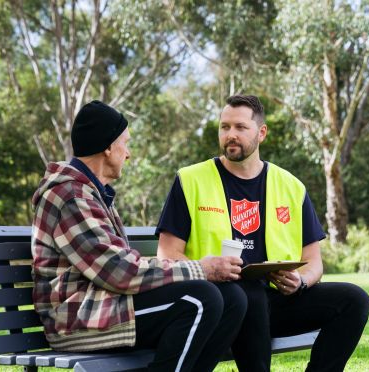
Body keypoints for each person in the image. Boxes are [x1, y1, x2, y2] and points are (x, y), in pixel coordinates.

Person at [157, 95, 369, 372]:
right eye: (224, 127)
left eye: (240, 127)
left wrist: (301, 282)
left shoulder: (291, 186)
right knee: (249, 293)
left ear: (261, 132)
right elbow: (167, 253)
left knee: (355, 300)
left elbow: (314, 261)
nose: (230, 135)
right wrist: (208, 269)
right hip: (222, 303)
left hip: (278, 301)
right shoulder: (191, 179)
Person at [31, 100, 247, 372]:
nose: (128, 153)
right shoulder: (71, 196)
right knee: (201, 298)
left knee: (232, 299)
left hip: (104, 304)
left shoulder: (91, 193)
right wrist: (199, 268)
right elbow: (121, 272)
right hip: (77, 318)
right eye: (125, 143)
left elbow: (120, 266)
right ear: (108, 147)